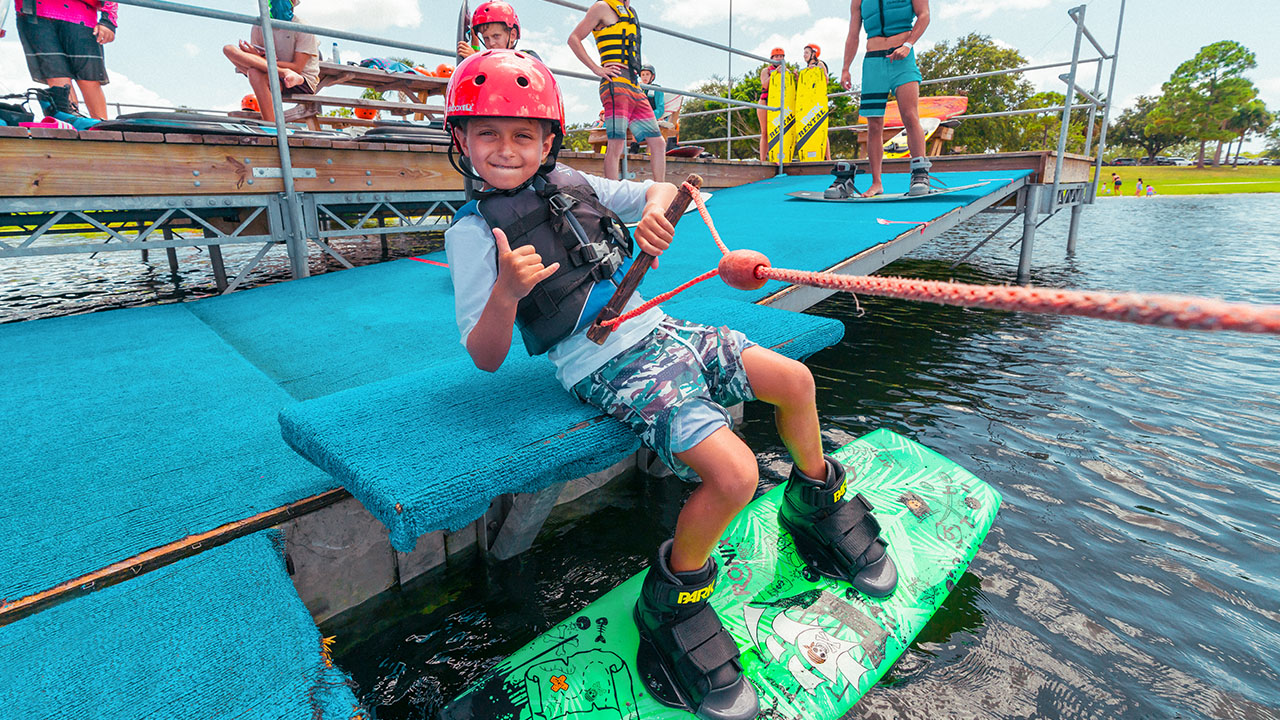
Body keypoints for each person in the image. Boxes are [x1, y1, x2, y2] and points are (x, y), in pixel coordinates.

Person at [443, 49, 898, 720]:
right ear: (460, 139)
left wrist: (660, 211)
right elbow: (484, 356)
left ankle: (815, 501)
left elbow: (663, 191)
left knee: (795, 379)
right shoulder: (472, 234)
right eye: (488, 133)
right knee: (736, 475)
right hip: (605, 365)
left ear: (548, 141)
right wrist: (508, 293)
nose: (506, 148)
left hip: (664, 330)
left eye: (523, 134)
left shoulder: (568, 179)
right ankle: (675, 595)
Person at [835, 0, 932, 198]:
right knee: (874, 124)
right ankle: (877, 182)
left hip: (902, 58)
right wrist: (845, 68)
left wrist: (908, 44)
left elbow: (924, 15)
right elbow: (853, 35)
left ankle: (920, 174)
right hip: (873, 62)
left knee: (910, 115)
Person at [569, 0, 666, 182]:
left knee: (658, 142)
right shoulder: (602, 7)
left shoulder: (630, 12)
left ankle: (660, 189)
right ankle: (612, 196)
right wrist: (596, 69)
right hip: (615, 83)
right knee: (616, 143)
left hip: (634, 84)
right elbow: (574, 38)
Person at [13, 0, 118, 121]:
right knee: (55, 74)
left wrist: (108, 19)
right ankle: (70, 123)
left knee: (88, 78)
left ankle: (103, 126)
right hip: (34, 13)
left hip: (81, 14)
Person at [222, 0, 319, 124]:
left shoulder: (302, 27)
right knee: (229, 49)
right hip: (276, 74)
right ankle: (272, 126)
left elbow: (297, 68)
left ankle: (271, 127)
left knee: (255, 73)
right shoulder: (259, 26)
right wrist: (256, 57)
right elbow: (257, 62)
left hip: (301, 80)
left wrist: (258, 59)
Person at [457, 1, 534, 59]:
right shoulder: (487, 60)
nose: (491, 43)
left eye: (496, 36)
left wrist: (474, 60)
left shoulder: (527, 57)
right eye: (486, 38)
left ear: (513, 35)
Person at [802, 43, 833, 161]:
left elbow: (826, 79)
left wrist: (815, 71)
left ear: (813, 54)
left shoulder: (820, 64)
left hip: (818, 100)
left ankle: (828, 158)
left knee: (822, 129)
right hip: (809, 101)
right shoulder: (806, 68)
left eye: (806, 52)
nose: (804, 55)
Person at [631, 63, 667, 153]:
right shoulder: (638, 89)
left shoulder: (656, 89)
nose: (645, 77)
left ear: (652, 76)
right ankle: (603, 152)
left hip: (651, 117)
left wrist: (648, 116)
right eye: (642, 75)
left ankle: (635, 150)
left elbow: (660, 109)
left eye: (647, 74)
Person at [757, 48, 784, 161]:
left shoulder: (785, 70)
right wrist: (775, 74)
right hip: (766, 101)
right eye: (776, 56)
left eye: (781, 56)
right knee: (765, 132)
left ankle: (779, 157)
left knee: (781, 131)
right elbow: (765, 85)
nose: (778, 58)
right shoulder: (766, 70)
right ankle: (763, 159)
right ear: (771, 58)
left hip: (779, 103)